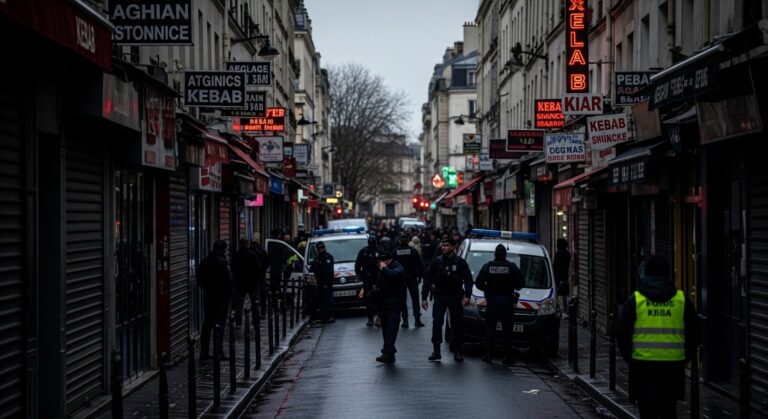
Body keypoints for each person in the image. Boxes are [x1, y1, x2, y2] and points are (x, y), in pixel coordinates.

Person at [617, 255, 698, 419]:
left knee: (646, 412)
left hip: (642, 368)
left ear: (646, 274)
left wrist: (630, 358)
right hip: (672, 369)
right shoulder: (681, 301)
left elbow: (622, 334)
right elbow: (694, 334)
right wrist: (685, 358)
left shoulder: (635, 301)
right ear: (669, 275)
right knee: (669, 410)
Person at [421, 238, 473, 362]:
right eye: (443, 245)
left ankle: (457, 351)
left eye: (447, 245)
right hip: (440, 296)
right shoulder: (437, 262)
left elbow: (468, 280)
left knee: (457, 325)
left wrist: (467, 295)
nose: (444, 247)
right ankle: (436, 351)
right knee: (437, 323)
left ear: (453, 247)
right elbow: (427, 279)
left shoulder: (460, 263)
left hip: (455, 296)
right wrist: (424, 297)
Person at [475, 244, 525, 364]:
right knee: (507, 329)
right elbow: (520, 283)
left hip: (492, 301)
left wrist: (487, 290)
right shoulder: (511, 267)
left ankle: (488, 355)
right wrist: (512, 286)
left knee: (490, 328)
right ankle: (506, 356)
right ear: (505, 255)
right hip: (507, 300)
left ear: (494, 254)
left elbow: (478, 283)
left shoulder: (488, 266)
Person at [198, 240, 233, 361]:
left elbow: (200, 278)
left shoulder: (205, 261)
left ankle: (204, 352)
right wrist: (229, 295)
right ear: (223, 249)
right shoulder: (222, 263)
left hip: (209, 297)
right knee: (219, 325)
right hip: (221, 298)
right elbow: (228, 281)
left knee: (207, 324)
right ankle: (218, 351)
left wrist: (207, 289)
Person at [373, 251, 406, 363]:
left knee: (391, 330)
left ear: (386, 260)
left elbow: (392, 276)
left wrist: (384, 268)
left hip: (395, 305)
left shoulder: (398, 267)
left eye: (381, 262)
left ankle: (386, 352)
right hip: (384, 305)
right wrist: (378, 313)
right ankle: (390, 355)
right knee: (386, 330)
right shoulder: (382, 270)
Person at [394, 235, 425, 328]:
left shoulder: (395, 252)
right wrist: (421, 276)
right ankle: (417, 320)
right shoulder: (413, 251)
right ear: (408, 241)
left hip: (400, 278)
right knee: (415, 299)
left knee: (402, 300)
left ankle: (405, 321)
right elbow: (420, 265)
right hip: (411, 277)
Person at [232, 239, 263, 329]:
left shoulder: (236, 255)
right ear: (248, 244)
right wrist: (258, 279)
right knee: (255, 303)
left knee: (239, 304)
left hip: (240, 282)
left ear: (240, 244)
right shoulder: (253, 255)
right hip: (252, 282)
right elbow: (258, 268)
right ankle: (256, 322)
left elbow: (233, 269)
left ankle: (238, 323)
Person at [355, 236, 383, 326]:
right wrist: (360, 275)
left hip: (378, 278)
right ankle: (370, 318)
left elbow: (385, 263)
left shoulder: (380, 251)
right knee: (369, 298)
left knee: (378, 298)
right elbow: (358, 264)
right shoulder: (364, 251)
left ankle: (379, 317)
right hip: (367, 278)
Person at [310, 241, 336, 323]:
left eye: (321, 248)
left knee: (328, 300)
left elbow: (329, 271)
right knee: (322, 301)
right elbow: (313, 268)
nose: (320, 250)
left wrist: (326, 283)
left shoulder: (327, 257)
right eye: (319, 249)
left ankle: (331, 316)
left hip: (326, 283)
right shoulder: (318, 258)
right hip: (320, 282)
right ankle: (324, 317)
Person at [250, 240, 269, 315]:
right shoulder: (262, 251)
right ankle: (262, 312)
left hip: (253, 277)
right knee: (262, 294)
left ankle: (256, 313)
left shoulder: (251, 252)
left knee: (255, 296)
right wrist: (263, 271)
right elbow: (267, 263)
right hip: (261, 276)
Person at [553, 238, 571, 315]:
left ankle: (557, 309)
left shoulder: (558, 253)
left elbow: (555, 265)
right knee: (564, 294)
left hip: (557, 277)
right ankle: (565, 310)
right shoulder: (568, 254)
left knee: (556, 293)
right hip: (565, 276)